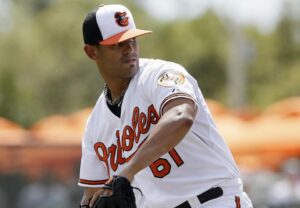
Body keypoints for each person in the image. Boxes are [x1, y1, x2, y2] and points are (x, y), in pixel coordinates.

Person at [78, 4, 253, 208]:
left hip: (213, 200)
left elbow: (181, 116)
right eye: (117, 44)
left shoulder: (159, 74)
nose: (129, 49)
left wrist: (128, 171)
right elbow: (93, 195)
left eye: (132, 39)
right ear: (91, 52)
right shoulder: (95, 126)